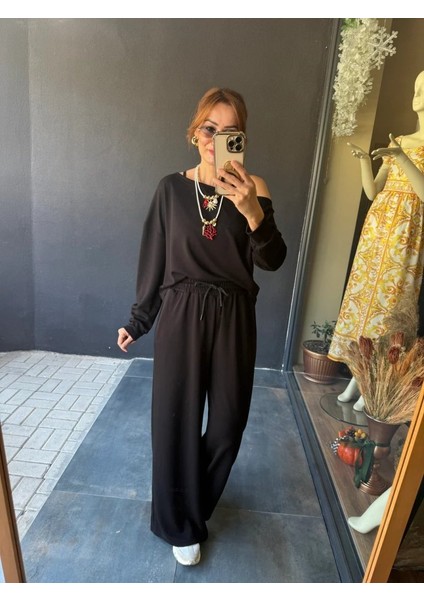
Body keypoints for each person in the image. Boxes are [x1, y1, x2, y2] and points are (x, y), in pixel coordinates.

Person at [117, 87, 286, 566]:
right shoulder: (170, 190)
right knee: (175, 422)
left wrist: (252, 211)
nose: (217, 139)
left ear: (242, 140)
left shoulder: (255, 188)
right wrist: (139, 319)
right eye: (210, 129)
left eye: (231, 132)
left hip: (234, 317)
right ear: (195, 134)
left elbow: (272, 259)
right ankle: (179, 524)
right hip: (181, 316)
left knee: (228, 424)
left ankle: (191, 506)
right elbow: (154, 260)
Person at [329, 70, 424, 412]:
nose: (418, 95)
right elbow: (373, 192)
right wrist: (363, 163)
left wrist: (402, 158)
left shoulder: (402, 148)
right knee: (366, 302)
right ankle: (358, 375)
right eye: (416, 88)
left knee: (389, 308)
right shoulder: (400, 140)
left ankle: (373, 384)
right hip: (377, 232)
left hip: (406, 238)